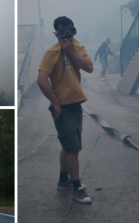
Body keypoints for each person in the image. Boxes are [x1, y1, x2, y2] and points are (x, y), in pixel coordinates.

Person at [37, 16, 93, 204]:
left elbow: (89, 67)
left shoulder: (78, 48)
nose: (67, 35)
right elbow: (42, 80)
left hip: (76, 104)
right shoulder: (51, 53)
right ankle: (77, 188)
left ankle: (63, 180)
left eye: (70, 30)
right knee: (73, 149)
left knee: (68, 146)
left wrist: (71, 51)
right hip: (62, 108)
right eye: (62, 32)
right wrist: (56, 103)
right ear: (56, 33)